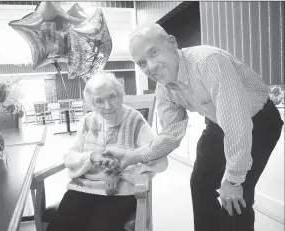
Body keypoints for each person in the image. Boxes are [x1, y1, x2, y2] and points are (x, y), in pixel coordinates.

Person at [102, 23, 284, 231]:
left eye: (154, 53)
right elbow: (170, 134)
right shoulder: (164, 89)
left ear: (172, 43)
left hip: (259, 122)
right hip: (217, 123)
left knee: (236, 196)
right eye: (142, 63)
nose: (151, 67)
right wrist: (133, 156)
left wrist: (233, 181)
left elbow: (237, 123)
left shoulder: (208, 63)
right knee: (200, 185)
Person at [46, 71, 168, 231]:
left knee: (100, 226)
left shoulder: (135, 120)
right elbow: (71, 156)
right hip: (83, 187)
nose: (108, 106)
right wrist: (91, 157)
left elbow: (159, 159)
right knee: (61, 225)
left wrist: (120, 173)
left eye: (112, 97)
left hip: (120, 191)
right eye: (99, 101)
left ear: (121, 94)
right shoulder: (88, 121)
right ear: (92, 104)